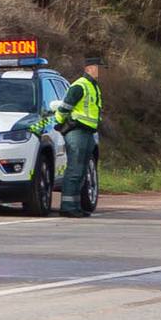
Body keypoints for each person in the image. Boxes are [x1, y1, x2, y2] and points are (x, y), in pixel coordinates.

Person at [50, 58, 105, 217]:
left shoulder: (93, 86)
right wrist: (59, 123)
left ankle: (75, 206)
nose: (101, 71)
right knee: (75, 169)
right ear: (89, 69)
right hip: (77, 131)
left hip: (88, 132)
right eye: (98, 68)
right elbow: (64, 107)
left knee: (81, 171)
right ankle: (68, 207)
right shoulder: (80, 85)